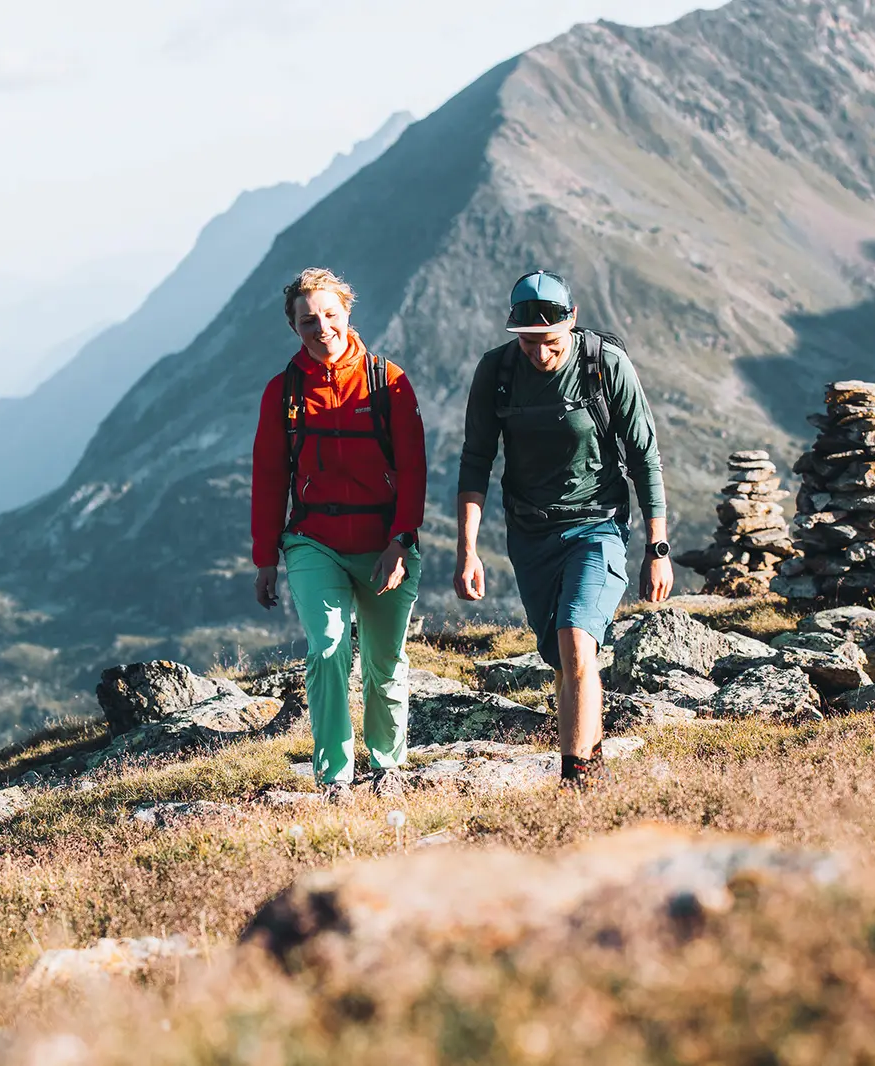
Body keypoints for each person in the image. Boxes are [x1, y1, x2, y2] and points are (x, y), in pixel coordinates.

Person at [454, 270, 672, 789]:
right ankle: (586, 758)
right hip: (531, 536)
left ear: (572, 321)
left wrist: (657, 547)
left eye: (549, 342)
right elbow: (475, 460)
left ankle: (579, 781)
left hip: (597, 525)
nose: (539, 354)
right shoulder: (497, 371)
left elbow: (644, 456)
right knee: (561, 654)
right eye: (528, 343)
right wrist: (468, 549)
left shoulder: (604, 365)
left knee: (577, 641)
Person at [251, 267, 427, 804]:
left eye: (330, 315)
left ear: (348, 314)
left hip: (385, 542)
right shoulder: (283, 392)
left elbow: (415, 468)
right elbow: (269, 475)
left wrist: (402, 539)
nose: (321, 327)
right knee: (327, 648)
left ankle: (388, 765)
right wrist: (265, 558)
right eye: (308, 320)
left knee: (384, 660)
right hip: (313, 540)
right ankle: (334, 777)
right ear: (293, 327)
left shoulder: (387, 381)